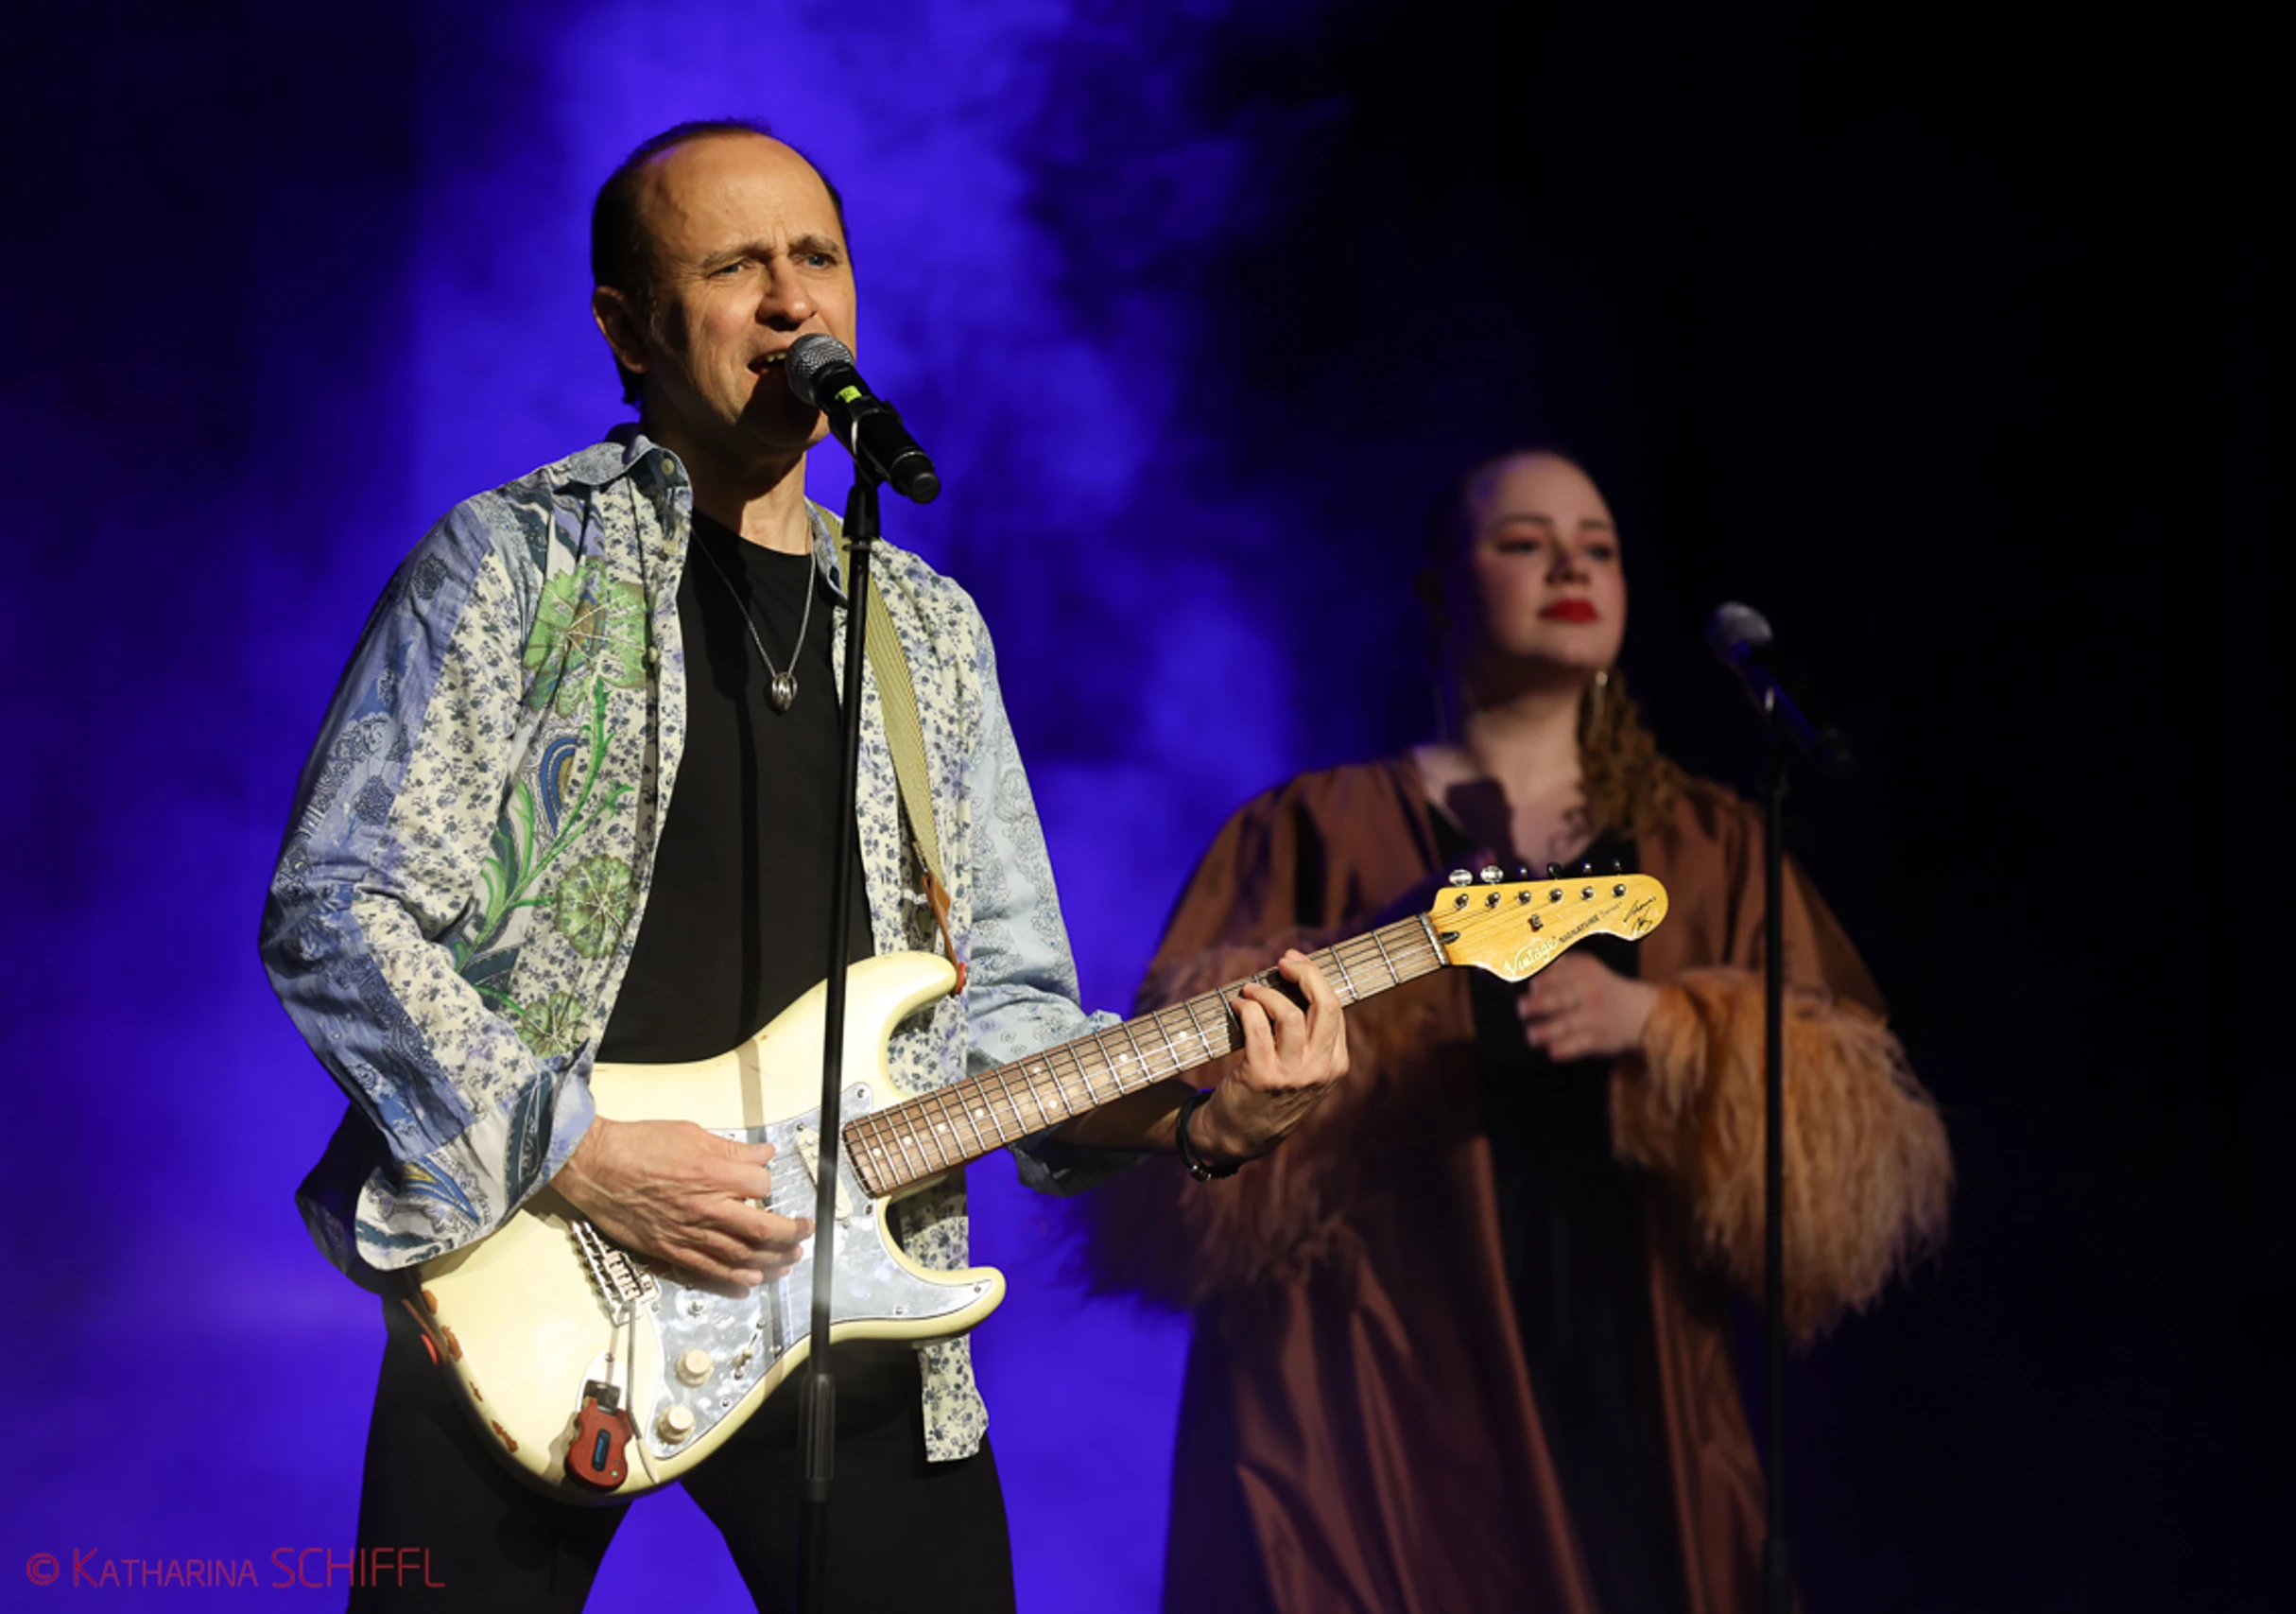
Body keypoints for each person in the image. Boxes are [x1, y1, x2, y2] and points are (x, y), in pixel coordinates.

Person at [259, 119, 1348, 1612]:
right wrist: (575, 1149)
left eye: (816, 258)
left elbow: (1005, 1016)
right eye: (734, 266)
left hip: (860, 1302)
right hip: (534, 1275)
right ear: (628, 329)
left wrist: (1204, 1113)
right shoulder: (516, 566)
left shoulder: (929, 631)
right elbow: (336, 907)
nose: (790, 300)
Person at [1084, 449, 1954, 1613]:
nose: (1569, 568)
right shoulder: (1311, 829)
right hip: (1363, 1401)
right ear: (1440, 590)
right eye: (1523, 543)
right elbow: (1159, 1147)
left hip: (1630, 1393)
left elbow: (1859, 1149)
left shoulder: (1711, 843)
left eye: (1597, 548)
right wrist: (1379, 972)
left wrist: (1669, 1026)